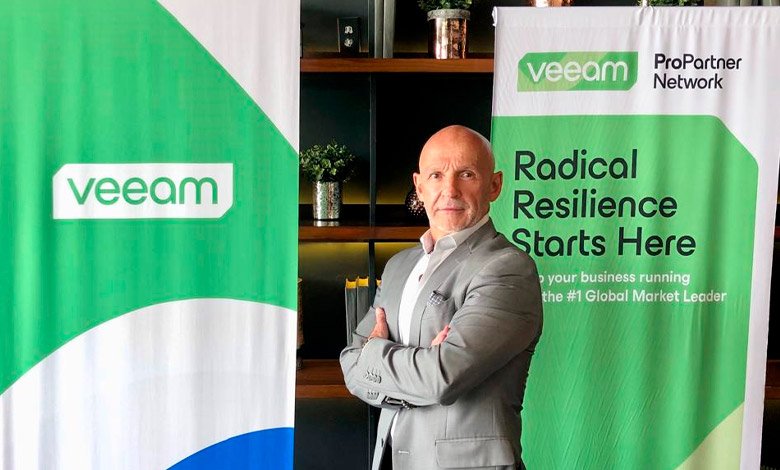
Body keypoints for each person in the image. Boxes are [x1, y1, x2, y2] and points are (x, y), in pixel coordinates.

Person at [340, 125, 543, 470]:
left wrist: (374, 351)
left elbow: (441, 378)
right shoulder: (399, 266)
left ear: (494, 185)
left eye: (466, 174)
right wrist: (419, 366)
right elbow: (350, 365)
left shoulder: (508, 268)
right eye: (436, 175)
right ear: (419, 186)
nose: (450, 190)